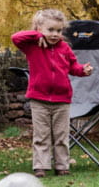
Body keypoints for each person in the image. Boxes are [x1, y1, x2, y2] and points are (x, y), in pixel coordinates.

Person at [12, 9, 92, 176]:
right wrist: (36, 36)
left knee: (61, 135)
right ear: (39, 29)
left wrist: (83, 70)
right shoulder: (33, 46)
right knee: (41, 135)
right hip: (39, 99)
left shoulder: (64, 48)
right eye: (50, 30)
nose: (55, 34)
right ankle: (41, 165)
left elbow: (73, 67)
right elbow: (16, 37)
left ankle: (62, 166)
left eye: (58, 30)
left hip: (62, 100)